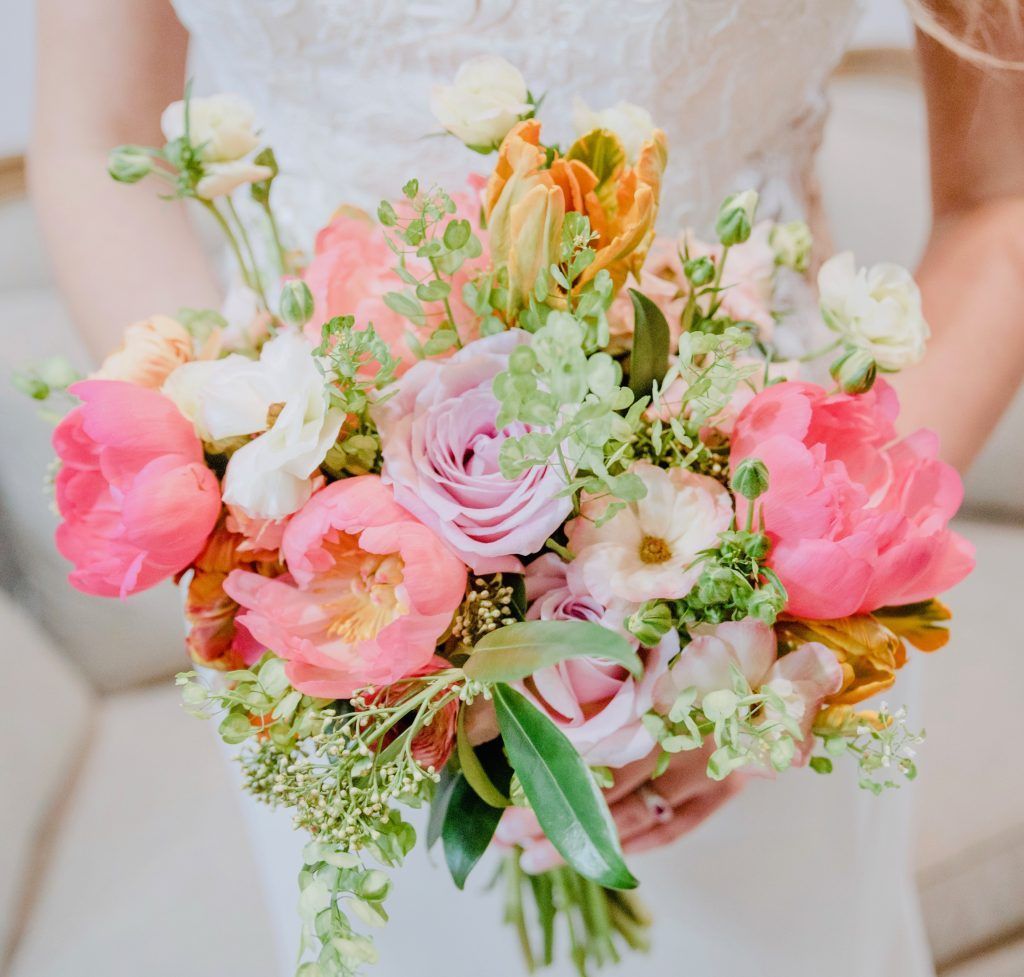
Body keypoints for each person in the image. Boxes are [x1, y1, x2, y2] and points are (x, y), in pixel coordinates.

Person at [29, 2, 1024, 975]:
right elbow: (95, 141)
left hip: (756, 571)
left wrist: (775, 641)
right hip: (330, 597)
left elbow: (1002, 196)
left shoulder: (762, 627)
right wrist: (249, 468)